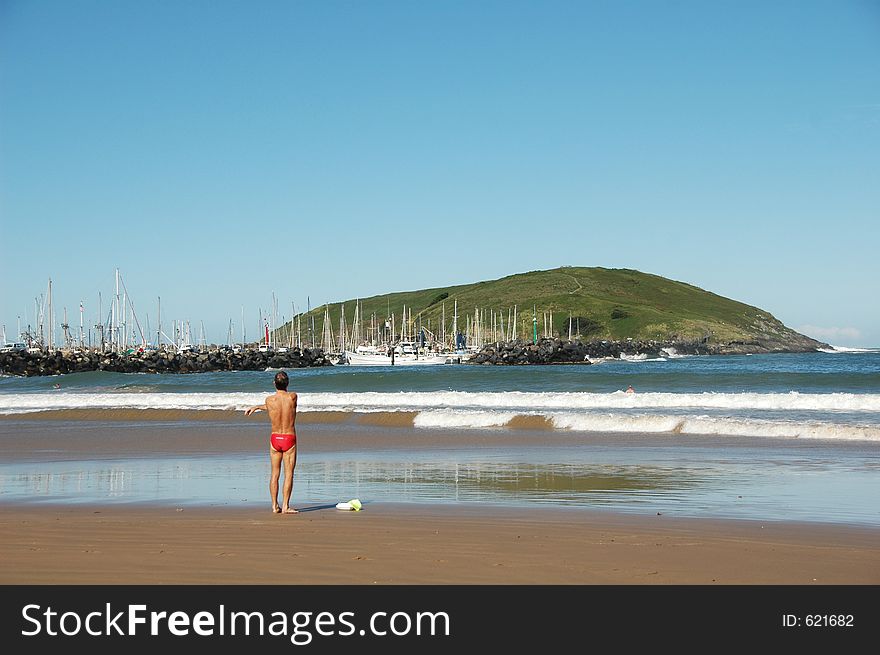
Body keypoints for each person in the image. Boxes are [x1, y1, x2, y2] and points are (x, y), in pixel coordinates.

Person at [245, 370, 299, 514]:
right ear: (287, 383)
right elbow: (285, 405)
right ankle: (286, 506)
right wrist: (257, 407)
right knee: (289, 474)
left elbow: (272, 407)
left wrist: (256, 407)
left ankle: (275, 506)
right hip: (289, 438)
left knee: (274, 474)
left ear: (274, 383)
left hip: (275, 439)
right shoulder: (293, 397)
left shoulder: (269, 400)